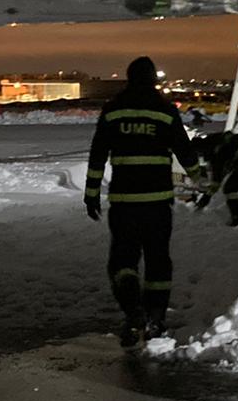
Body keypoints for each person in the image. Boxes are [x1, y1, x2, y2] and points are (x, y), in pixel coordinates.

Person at [85, 56, 199, 346]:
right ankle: (156, 318)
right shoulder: (164, 110)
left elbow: (98, 154)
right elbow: (184, 152)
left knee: (122, 261)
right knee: (159, 261)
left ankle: (132, 310)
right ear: (153, 80)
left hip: (124, 202)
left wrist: (91, 193)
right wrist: (201, 181)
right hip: (158, 203)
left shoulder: (113, 110)